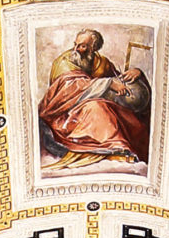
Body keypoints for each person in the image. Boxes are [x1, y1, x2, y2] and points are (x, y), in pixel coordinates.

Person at [39, 31, 151, 167]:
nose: (76, 50)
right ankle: (113, 146)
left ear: (93, 48)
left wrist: (136, 73)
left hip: (98, 105)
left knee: (126, 117)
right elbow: (68, 90)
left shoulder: (102, 63)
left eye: (83, 46)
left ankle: (117, 148)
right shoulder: (65, 61)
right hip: (66, 112)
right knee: (96, 107)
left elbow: (119, 81)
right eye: (75, 44)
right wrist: (107, 84)